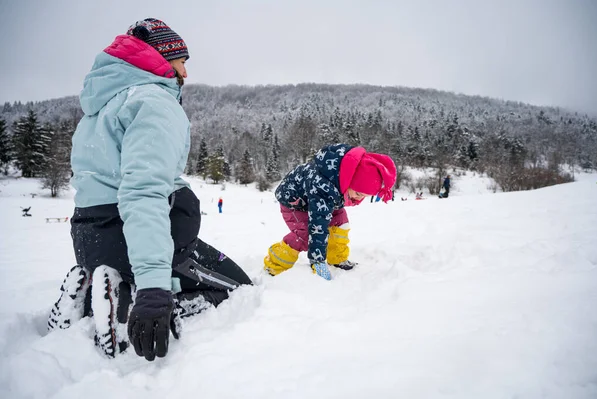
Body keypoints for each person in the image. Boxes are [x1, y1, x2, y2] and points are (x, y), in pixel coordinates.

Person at [47, 18, 252, 361]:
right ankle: (123, 310)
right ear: (160, 58)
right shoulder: (153, 103)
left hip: (90, 237)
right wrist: (155, 288)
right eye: (182, 62)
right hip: (138, 237)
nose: (185, 73)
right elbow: (143, 193)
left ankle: (91, 296)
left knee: (158, 276)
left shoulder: (100, 110)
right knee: (239, 291)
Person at [264, 144, 396, 280]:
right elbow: (318, 226)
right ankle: (274, 264)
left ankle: (337, 257)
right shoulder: (324, 186)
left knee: (341, 222)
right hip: (295, 204)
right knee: (305, 235)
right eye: (357, 193)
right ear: (349, 181)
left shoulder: (340, 180)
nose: (359, 198)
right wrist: (317, 260)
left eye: (364, 196)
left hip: (322, 200)